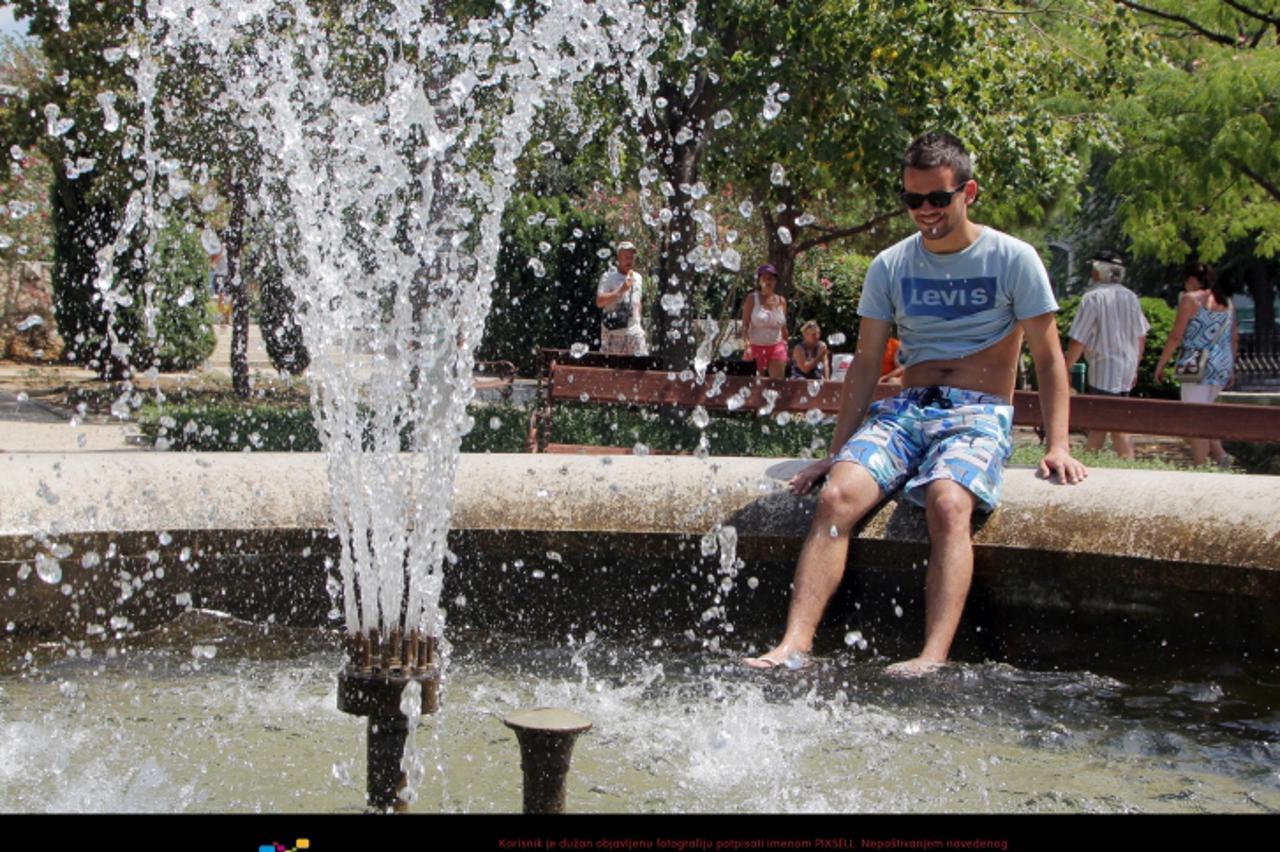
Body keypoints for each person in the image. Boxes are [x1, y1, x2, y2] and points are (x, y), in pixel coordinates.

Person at [744, 131, 1086, 675]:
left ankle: (931, 657)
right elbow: (864, 365)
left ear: (967, 192)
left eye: (937, 198)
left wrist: (1059, 443)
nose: (924, 211)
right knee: (835, 498)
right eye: (912, 200)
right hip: (908, 410)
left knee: (949, 504)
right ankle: (794, 646)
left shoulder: (1013, 258)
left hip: (978, 411)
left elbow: (1048, 359)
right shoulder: (891, 265)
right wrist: (839, 451)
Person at [1064, 251, 1150, 459]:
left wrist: (1065, 367)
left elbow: (1078, 339)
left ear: (1098, 271)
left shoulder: (1093, 298)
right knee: (1103, 422)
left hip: (1104, 367)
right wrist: (1136, 366)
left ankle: (1126, 466)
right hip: (1126, 368)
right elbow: (1141, 336)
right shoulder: (1130, 297)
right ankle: (1092, 460)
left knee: (1113, 423)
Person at [1154, 261, 1237, 467]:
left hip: (1195, 363)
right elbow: (1234, 337)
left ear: (1191, 280)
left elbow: (1175, 336)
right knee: (1206, 413)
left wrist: (1161, 364)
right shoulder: (1226, 301)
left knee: (1194, 417)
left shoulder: (1191, 300)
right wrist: (1231, 366)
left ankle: (1200, 466)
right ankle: (1221, 457)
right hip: (1221, 362)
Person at [596, 241, 648, 355]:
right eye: (626, 257)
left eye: (631, 257)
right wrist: (621, 290)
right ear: (618, 258)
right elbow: (599, 302)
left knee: (642, 366)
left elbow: (638, 302)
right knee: (611, 370)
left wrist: (640, 323)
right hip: (613, 333)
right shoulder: (608, 277)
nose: (629, 260)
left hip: (635, 334)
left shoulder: (638, 278)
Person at [742, 263, 788, 378]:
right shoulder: (752, 298)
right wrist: (747, 346)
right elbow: (745, 325)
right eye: (764, 278)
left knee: (777, 385)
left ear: (775, 281)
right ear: (759, 281)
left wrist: (786, 344)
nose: (768, 281)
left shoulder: (781, 301)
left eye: (771, 278)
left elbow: (784, 328)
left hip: (776, 346)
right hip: (755, 346)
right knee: (755, 387)